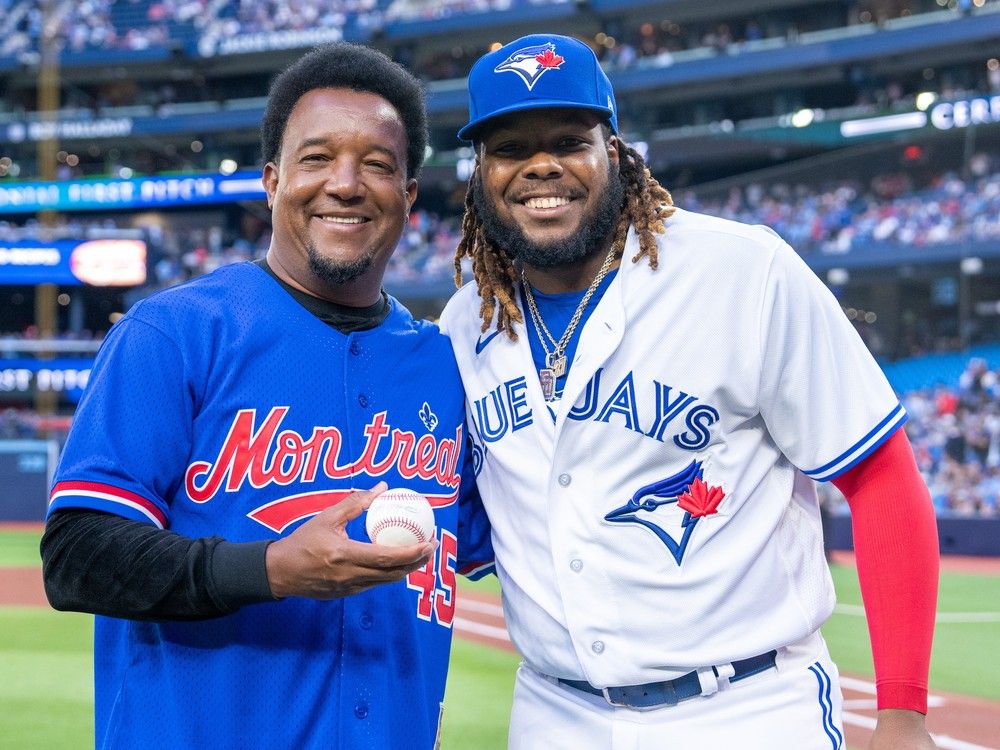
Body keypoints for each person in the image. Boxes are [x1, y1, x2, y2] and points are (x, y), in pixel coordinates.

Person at [440, 33, 939, 750]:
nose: (541, 165)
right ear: (481, 172)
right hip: (554, 713)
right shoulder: (464, 325)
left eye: (569, 140)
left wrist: (901, 714)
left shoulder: (743, 271)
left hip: (747, 708)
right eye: (511, 148)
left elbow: (881, 475)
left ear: (614, 152)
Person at [41, 43, 492, 750]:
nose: (345, 184)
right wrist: (272, 570)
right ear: (272, 179)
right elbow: (78, 556)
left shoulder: (443, 363)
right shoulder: (175, 332)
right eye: (316, 159)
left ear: (408, 194)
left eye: (376, 163)